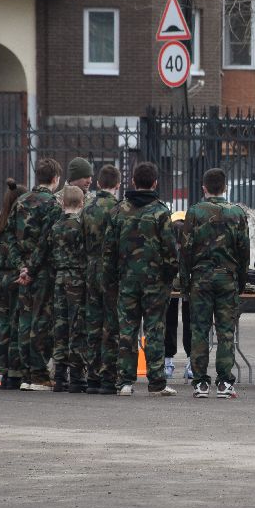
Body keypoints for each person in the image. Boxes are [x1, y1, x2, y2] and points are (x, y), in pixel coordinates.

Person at [102, 162, 179, 397]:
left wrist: (111, 280)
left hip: (126, 280)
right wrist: (168, 276)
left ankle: (124, 381)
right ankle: (156, 382)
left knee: (127, 330)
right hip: (155, 282)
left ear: (133, 182)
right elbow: (170, 250)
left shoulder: (118, 211)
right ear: (155, 183)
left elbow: (108, 250)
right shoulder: (160, 212)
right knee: (155, 329)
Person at [180, 167, 250, 399]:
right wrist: (241, 281)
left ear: (204, 188)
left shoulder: (194, 212)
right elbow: (244, 252)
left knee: (199, 330)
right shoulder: (237, 213)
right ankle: (224, 382)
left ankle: (200, 382)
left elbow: (186, 250)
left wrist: (184, 282)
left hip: (200, 279)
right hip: (227, 278)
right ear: (225, 187)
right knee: (226, 332)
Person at [11, 158, 63, 391]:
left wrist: (21, 266)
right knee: (42, 321)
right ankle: (40, 375)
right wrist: (32, 268)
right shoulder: (52, 204)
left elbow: (10, 238)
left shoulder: (20, 201)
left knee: (25, 320)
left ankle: (26, 373)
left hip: (24, 270)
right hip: (42, 271)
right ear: (55, 179)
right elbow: (47, 240)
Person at [81, 164, 122, 394]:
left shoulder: (87, 207)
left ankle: (92, 376)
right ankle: (109, 376)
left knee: (93, 323)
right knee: (111, 325)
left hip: (90, 268)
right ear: (117, 185)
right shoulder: (117, 208)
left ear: (98, 184)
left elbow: (80, 239)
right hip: (110, 271)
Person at [50, 185, 88, 392]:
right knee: (77, 326)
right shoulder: (80, 226)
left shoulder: (55, 226)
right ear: (82, 203)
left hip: (59, 278)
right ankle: (76, 376)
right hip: (77, 279)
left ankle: (59, 376)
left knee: (60, 327)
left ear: (62, 203)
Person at [0, 179, 26, 390]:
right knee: (17, 323)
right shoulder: (18, 225)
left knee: (2, 325)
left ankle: (4, 371)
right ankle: (15, 370)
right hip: (15, 275)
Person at [164, 211, 192, 381]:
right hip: (179, 283)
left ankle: (170, 362)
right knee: (186, 321)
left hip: (181, 283)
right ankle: (188, 362)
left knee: (173, 320)